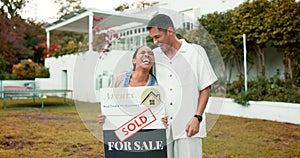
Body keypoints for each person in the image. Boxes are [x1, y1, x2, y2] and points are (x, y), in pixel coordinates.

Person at [146, 14, 218, 158]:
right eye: (153, 38)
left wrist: (197, 118)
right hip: (162, 126)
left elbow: (205, 88)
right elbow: (144, 85)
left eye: (157, 37)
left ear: (170, 31)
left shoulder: (196, 52)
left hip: (188, 126)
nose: (155, 42)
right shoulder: (154, 56)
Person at [97, 45, 157, 125]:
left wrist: (163, 120)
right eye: (142, 52)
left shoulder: (157, 85)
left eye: (150, 53)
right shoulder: (118, 80)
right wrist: (104, 118)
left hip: (147, 133)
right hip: (122, 131)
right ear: (134, 61)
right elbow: (109, 107)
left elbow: (159, 112)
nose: (147, 55)